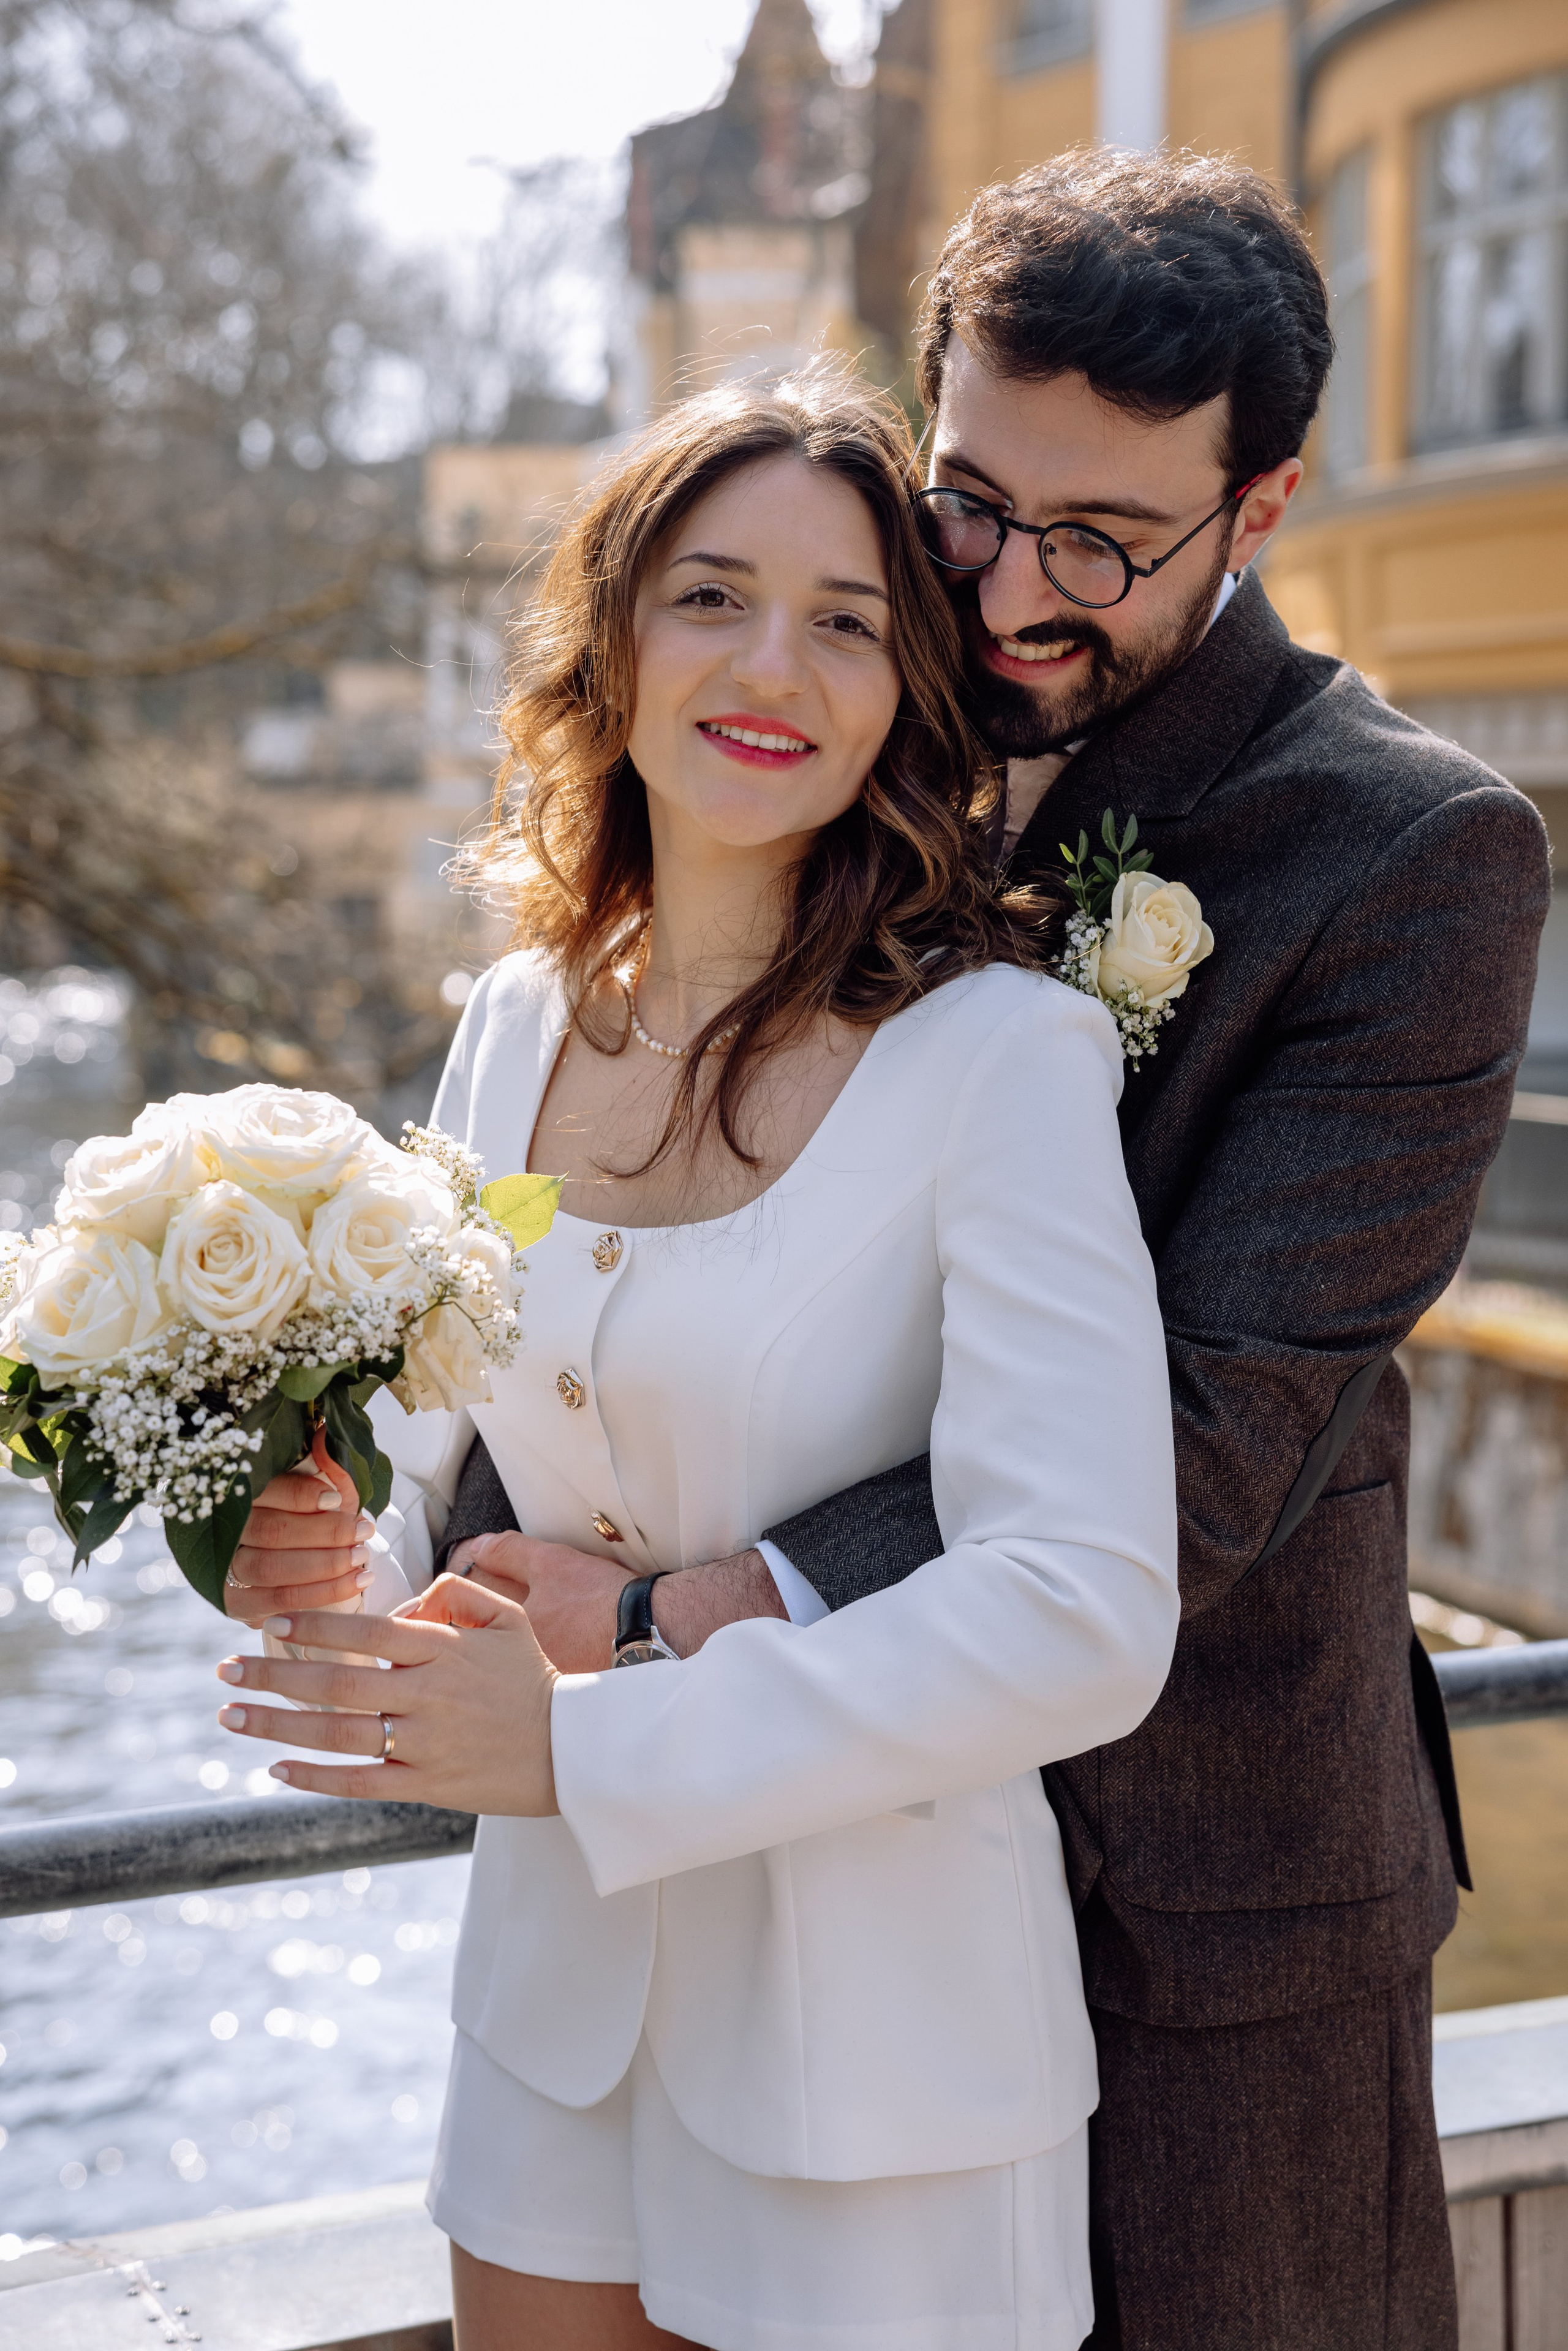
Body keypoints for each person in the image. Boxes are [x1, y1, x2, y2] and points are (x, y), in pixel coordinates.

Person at [382, 151, 1555, 2348]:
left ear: (1263, 505)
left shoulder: (1412, 856)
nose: (1009, 595)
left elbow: (1211, 1436)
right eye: (969, 508)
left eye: (1102, 543)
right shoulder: (816, 729)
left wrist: (658, 1617)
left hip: (1202, 1885)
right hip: (750, 1882)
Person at [216, 359, 1182, 2351]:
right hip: (549, 2040)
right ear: (617, 640)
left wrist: (592, 1736)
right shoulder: (511, 1021)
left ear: (910, 689)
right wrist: (325, 1566)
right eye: (713, 594)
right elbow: (443, 1491)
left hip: (887, 2075)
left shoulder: (1002, 1059)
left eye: (847, 621)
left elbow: (1082, 1606)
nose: (776, 664)